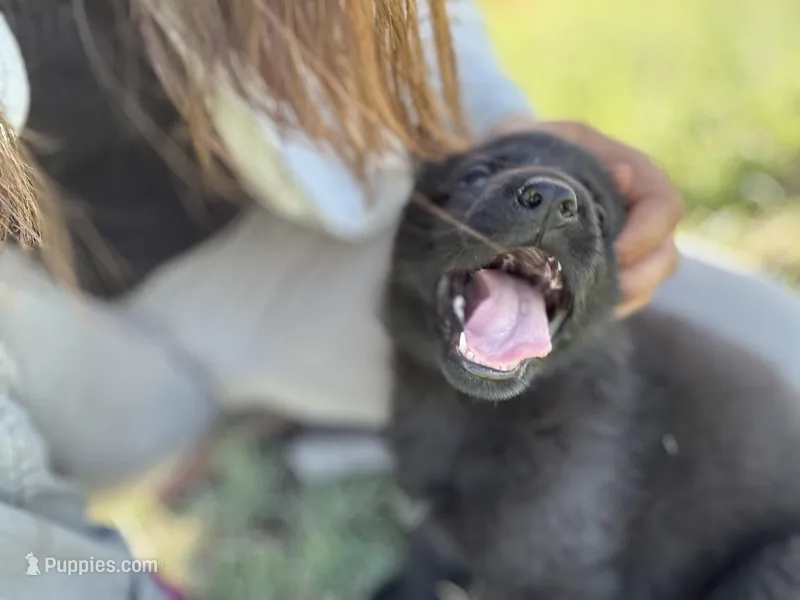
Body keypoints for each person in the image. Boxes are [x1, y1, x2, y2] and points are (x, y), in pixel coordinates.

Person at [0, 1, 797, 598]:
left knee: (782, 354)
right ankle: (214, 444)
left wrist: (505, 137)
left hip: (314, 228)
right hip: (52, 323)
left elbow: (416, 26)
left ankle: (290, 428)